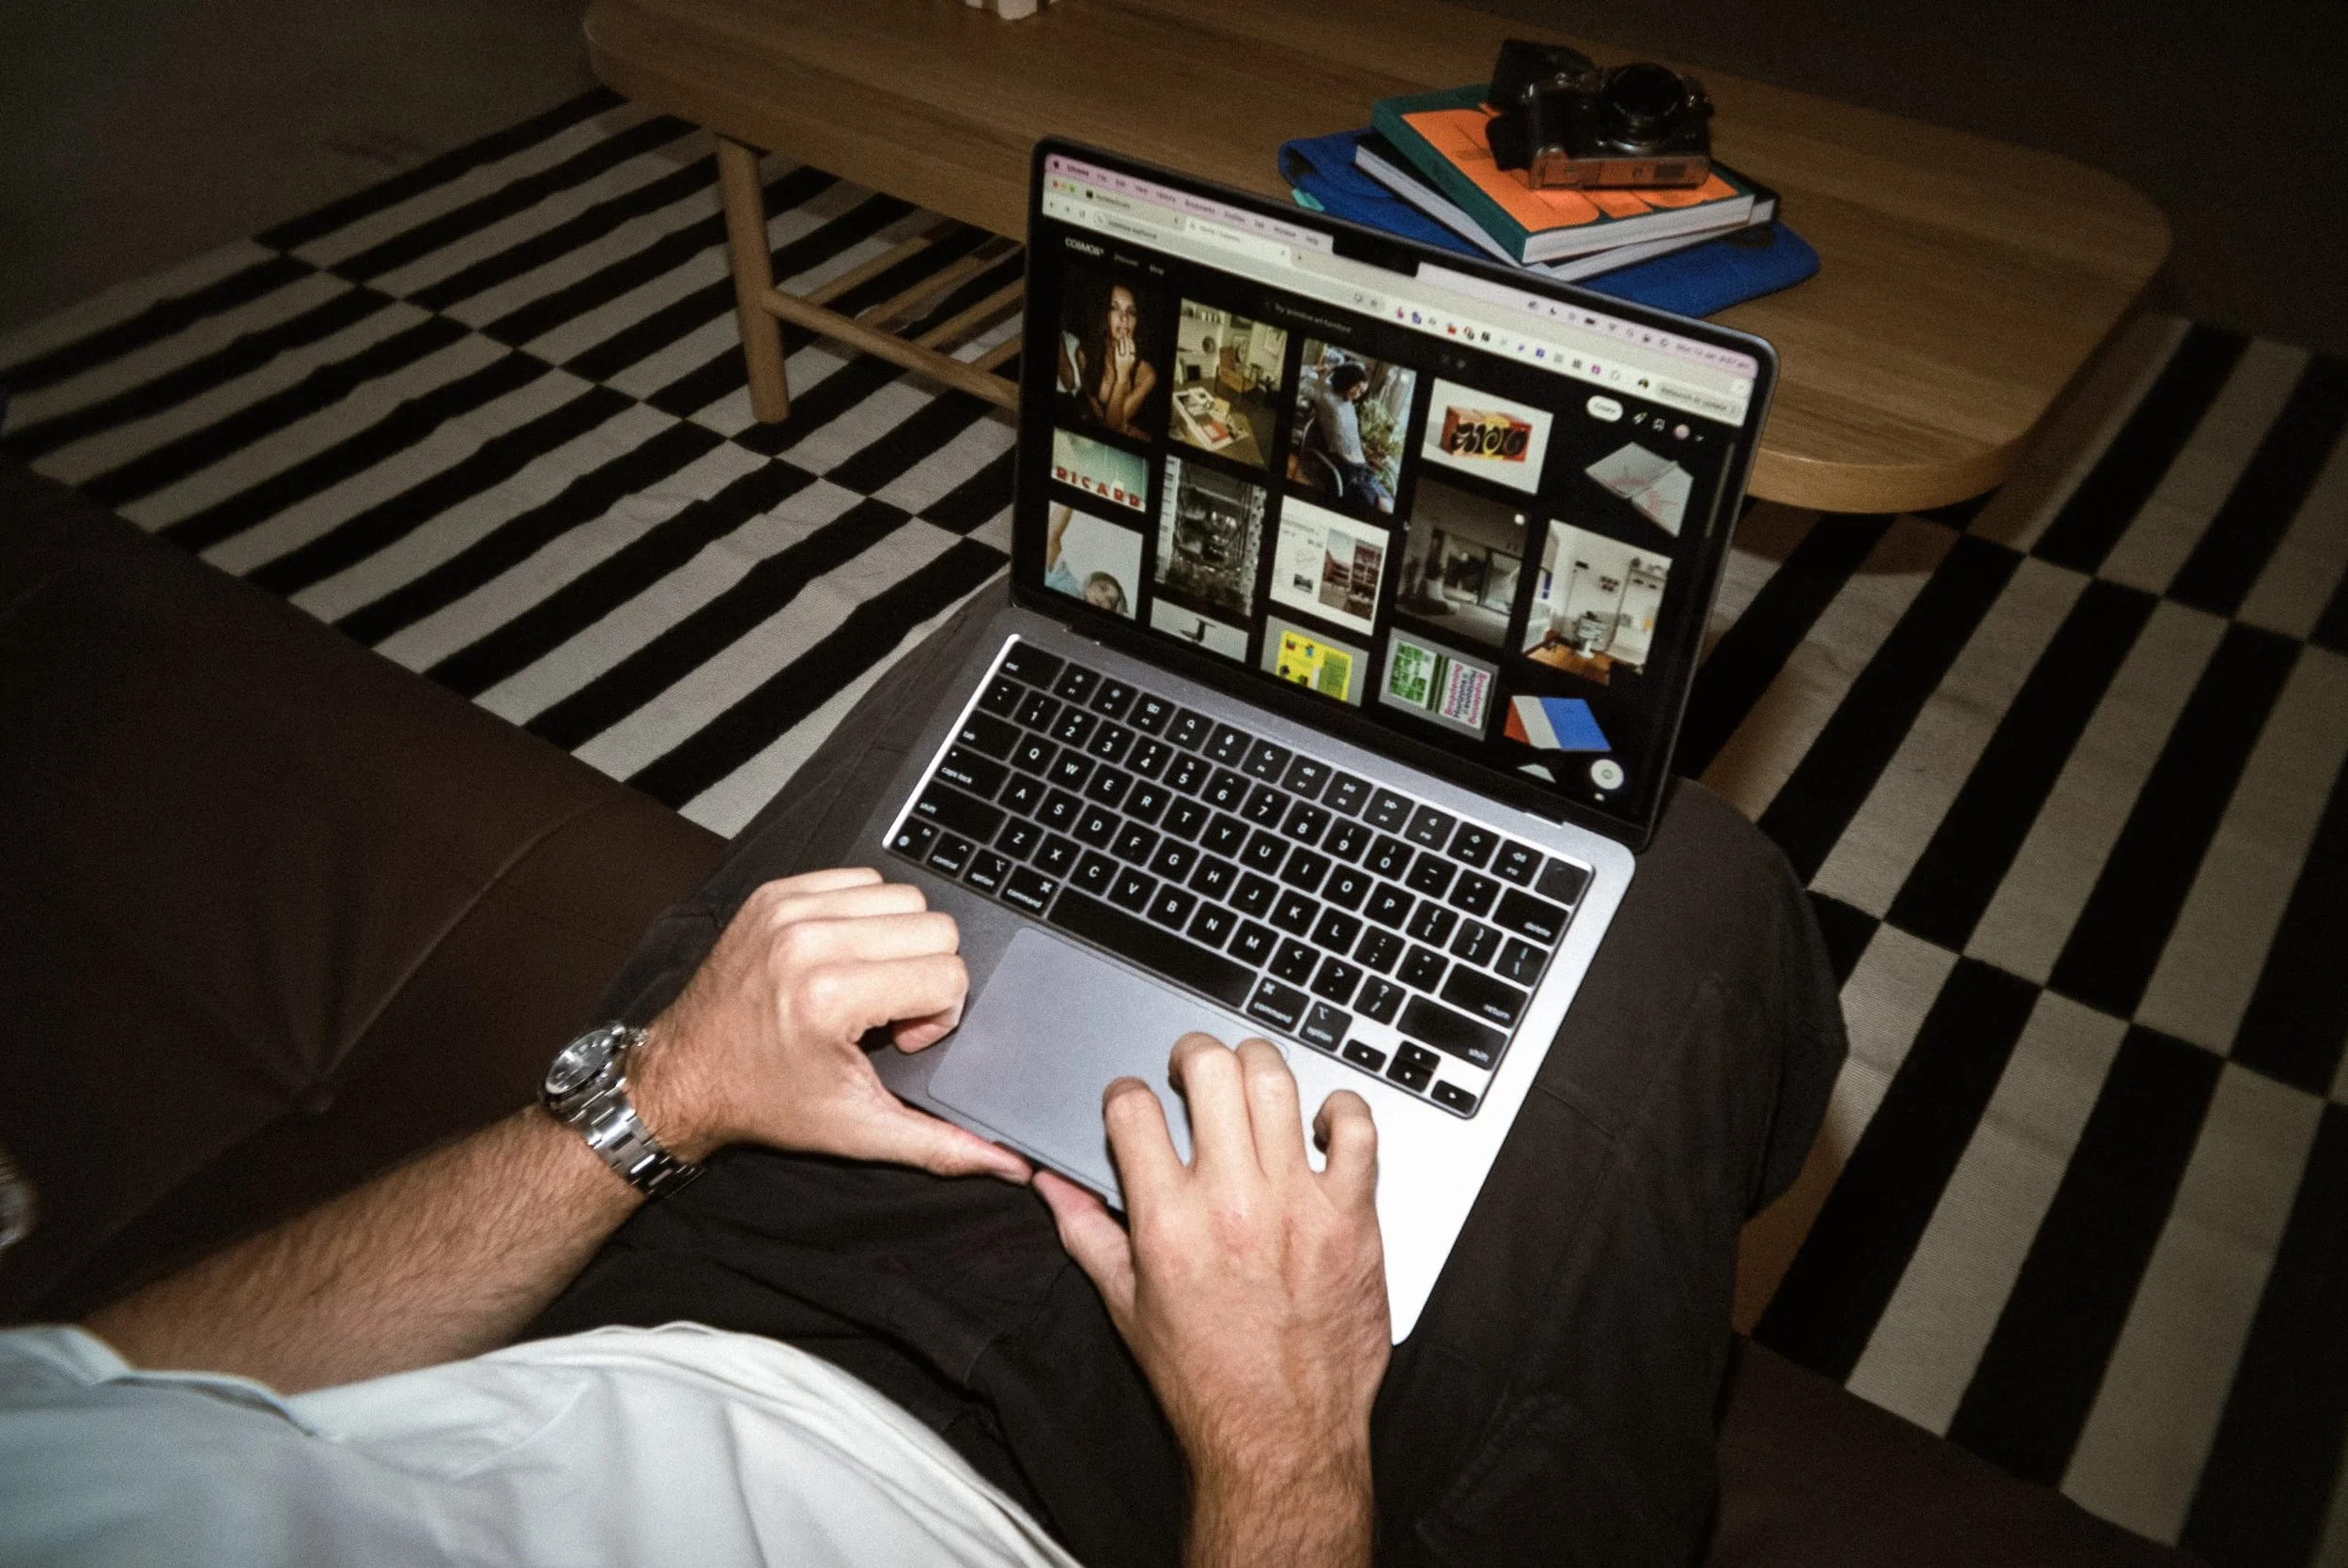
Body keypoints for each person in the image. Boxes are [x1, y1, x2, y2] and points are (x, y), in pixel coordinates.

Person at [0, 596, 1845, 1568]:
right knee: (1688, 872)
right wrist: (1281, 1440)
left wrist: (656, 1094)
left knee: (1049, 641)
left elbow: (106, 1383)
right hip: (1139, 1513)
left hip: (651, 1288)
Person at [1058, 282, 1158, 438]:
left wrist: (1122, 378)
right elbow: (1089, 393)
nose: (1124, 318)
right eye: (1115, 308)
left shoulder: (1147, 375)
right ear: (1104, 315)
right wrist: (1093, 411)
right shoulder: (1084, 354)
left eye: (1131, 312)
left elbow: (1112, 427)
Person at [1297, 358, 1394, 514]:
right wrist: (1317, 367)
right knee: (1383, 510)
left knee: (1391, 505)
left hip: (1364, 470)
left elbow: (1351, 437)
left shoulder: (1349, 404)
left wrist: (1368, 454)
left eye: (1361, 392)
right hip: (1346, 471)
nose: (1357, 394)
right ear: (1347, 379)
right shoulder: (1324, 393)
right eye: (1357, 387)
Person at [1044, 502, 1129, 614]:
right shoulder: (1064, 579)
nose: (1103, 598)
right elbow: (1052, 536)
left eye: (1110, 601)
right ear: (1090, 583)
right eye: (1102, 588)